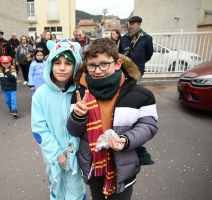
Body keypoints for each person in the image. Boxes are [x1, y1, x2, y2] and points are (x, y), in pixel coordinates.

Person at [67, 38, 158, 200]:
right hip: (93, 165)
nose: (97, 70)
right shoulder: (80, 95)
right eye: (92, 65)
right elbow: (74, 131)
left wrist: (126, 139)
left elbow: (149, 125)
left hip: (123, 165)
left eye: (104, 64)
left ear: (117, 64)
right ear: (86, 66)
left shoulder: (140, 95)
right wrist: (77, 117)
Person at [31, 39, 86, 200]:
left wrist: (74, 147)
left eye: (68, 63)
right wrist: (57, 154)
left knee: (76, 190)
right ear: (50, 64)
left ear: (75, 66)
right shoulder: (41, 94)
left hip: (75, 155)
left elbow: (86, 125)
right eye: (57, 62)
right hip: (52, 156)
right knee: (56, 189)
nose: (62, 68)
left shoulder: (81, 92)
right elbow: (39, 129)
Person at [119, 16, 153, 85]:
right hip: (123, 69)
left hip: (137, 70)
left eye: (132, 24)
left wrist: (139, 60)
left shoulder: (146, 38)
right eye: (129, 24)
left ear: (139, 24)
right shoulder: (124, 38)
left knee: (133, 90)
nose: (130, 26)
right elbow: (119, 52)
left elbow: (149, 54)